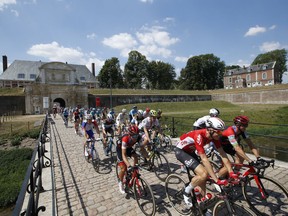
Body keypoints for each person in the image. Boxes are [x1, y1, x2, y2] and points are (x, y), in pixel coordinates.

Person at [175, 117, 237, 207]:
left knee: (203, 178)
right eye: (219, 132)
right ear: (211, 130)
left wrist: (231, 172)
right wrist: (216, 180)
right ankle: (186, 191)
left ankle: (202, 205)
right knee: (204, 173)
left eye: (221, 132)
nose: (221, 134)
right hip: (181, 151)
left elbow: (223, 154)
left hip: (191, 151)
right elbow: (204, 159)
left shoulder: (214, 137)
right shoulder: (199, 135)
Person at [116, 125, 142, 194]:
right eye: (134, 136)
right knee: (124, 168)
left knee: (136, 157)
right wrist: (129, 166)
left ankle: (133, 173)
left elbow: (142, 147)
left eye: (136, 136)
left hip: (129, 147)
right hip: (120, 149)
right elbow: (123, 155)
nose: (135, 138)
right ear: (130, 135)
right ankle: (120, 182)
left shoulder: (138, 137)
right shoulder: (125, 138)